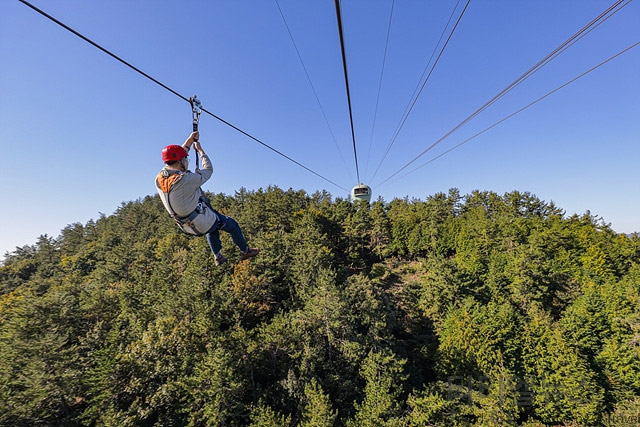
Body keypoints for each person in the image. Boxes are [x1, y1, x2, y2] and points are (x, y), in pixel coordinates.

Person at [155, 131, 259, 266]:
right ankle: (245, 251)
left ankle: (218, 257)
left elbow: (179, 154)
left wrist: (190, 140)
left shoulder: (160, 177)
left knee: (212, 226)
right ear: (180, 161)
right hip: (199, 221)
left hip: (185, 224)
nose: (187, 161)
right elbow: (208, 170)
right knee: (231, 224)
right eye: (186, 159)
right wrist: (201, 151)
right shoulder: (185, 179)